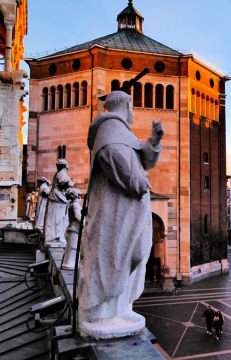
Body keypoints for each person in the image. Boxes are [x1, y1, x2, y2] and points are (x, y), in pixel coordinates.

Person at [78, 90, 163, 339]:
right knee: (113, 257)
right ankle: (102, 314)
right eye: (132, 106)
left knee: (130, 256)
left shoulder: (120, 130)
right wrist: (138, 183)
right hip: (115, 212)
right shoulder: (109, 129)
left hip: (128, 211)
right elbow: (112, 156)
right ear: (125, 105)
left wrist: (154, 141)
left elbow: (143, 160)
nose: (134, 111)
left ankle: (120, 308)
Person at [44, 159, 74, 245]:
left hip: (59, 199)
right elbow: (64, 183)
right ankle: (55, 237)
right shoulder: (61, 174)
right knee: (57, 219)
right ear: (65, 166)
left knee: (58, 219)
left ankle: (57, 237)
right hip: (58, 199)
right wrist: (71, 183)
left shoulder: (59, 173)